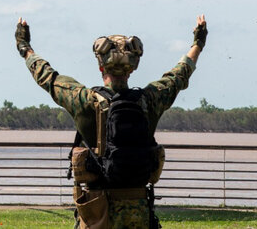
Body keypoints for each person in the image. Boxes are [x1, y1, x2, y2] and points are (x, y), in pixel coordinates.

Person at [15, 15, 207, 229]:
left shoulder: (84, 101)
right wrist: (198, 42)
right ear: (132, 68)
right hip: (139, 212)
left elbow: (47, 77)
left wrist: (24, 46)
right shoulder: (150, 100)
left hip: (98, 212)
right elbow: (179, 75)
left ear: (101, 68)